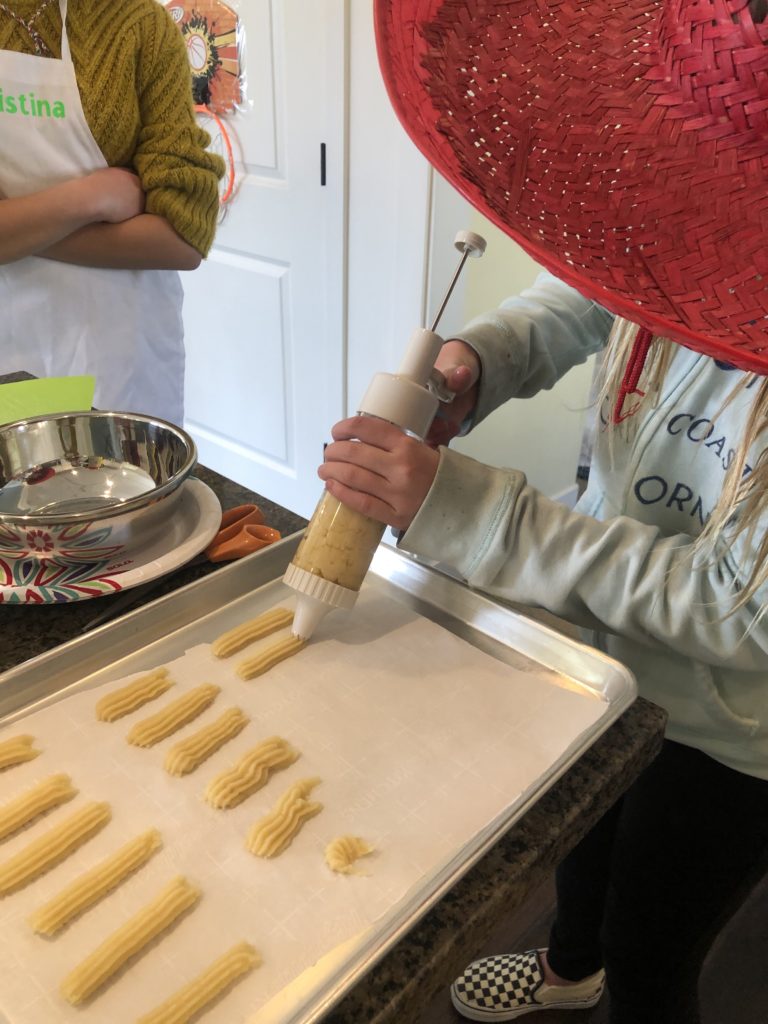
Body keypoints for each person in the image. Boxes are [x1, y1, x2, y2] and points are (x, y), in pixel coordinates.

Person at [318, 1, 768, 1021]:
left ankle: (614, 978)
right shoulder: (685, 225)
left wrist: (470, 510)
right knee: (583, 837)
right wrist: (486, 358)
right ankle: (569, 974)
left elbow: (742, 607)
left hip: (732, 731)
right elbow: (597, 294)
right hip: (597, 647)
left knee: (656, 948)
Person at [0, 0, 224, 425]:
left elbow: (182, 238)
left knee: (129, 484)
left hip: (120, 352)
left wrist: (18, 227)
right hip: (9, 347)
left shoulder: (137, 25)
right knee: (21, 487)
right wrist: (91, 199)